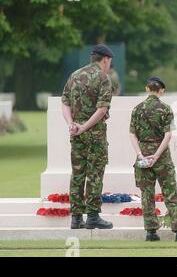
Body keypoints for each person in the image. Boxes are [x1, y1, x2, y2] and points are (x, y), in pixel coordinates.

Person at [129, 76, 177, 242]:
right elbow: (168, 134)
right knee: (170, 194)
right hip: (161, 156)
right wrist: (157, 155)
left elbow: (132, 134)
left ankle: (151, 232)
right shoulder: (165, 109)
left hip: (142, 153)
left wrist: (141, 154)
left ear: (147, 89)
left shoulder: (137, 109)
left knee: (147, 195)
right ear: (161, 90)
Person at [61, 44, 115, 230]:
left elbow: (65, 103)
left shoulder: (74, 76)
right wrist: (84, 127)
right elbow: (102, 109)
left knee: (77, 174)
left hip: (76, 134)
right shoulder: (103, 79)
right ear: (105, 59)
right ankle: (92, 216)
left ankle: (76, 218)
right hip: (95, 135)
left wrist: (71, 124)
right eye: (109, 62)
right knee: (94, 175)